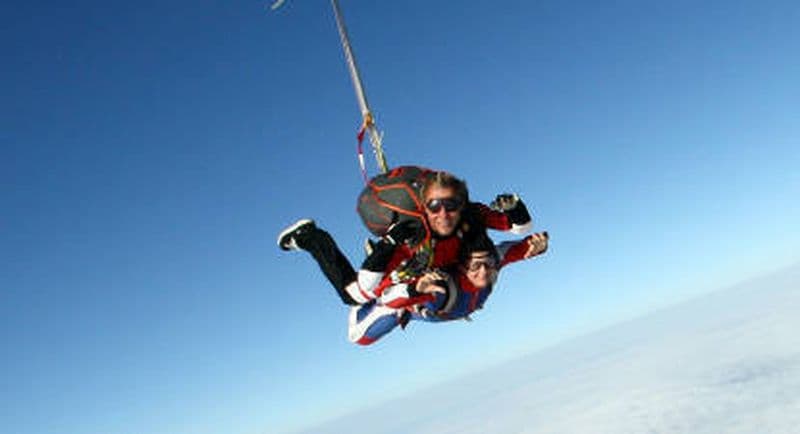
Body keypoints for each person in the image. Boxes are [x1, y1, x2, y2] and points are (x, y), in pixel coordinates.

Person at [279, 170, 533, 305]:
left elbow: (519, 227)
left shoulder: (469, 214)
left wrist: (514, 207)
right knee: (354, 296)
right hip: (420, 267)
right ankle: (311, 238)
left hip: (436, 265)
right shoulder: (418, 235)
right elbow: (366, 286)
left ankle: (314, 238)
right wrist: (388, 246)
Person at [347, 230, 549, 345]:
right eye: (476, 266)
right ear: (462, 267)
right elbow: (391, 301)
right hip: (409, 300)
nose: (484, 271)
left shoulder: (493, 260)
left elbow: (513, 250)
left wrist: (537, 246)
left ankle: (392, 266)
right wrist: (414, 290)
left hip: (440, 298)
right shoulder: (441, 288)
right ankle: (383, 273)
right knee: (358, 336)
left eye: (488, 263)